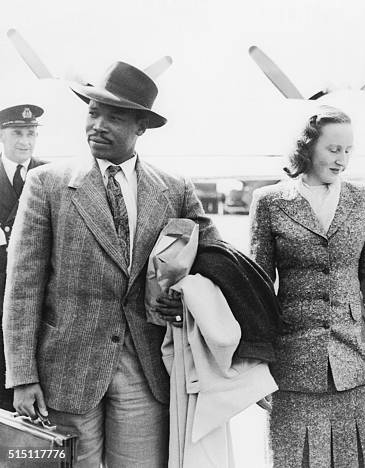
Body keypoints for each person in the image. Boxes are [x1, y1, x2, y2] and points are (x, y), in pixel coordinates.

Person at [2, 61, 219, 467]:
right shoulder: (47, 184)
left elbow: (215, 262)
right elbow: (23, 287)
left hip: (146, 371)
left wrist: (187, 297)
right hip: (64, 374)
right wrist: (23, 376)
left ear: (141, 127)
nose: (97, 125)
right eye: (92, 112)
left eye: (114, 117)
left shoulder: (174, 189)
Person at [249, 106, 365, 467]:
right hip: (291, 364)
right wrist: (254, 362)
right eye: (334, 149)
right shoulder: (269, 202)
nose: (342, 160)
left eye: (348, 150)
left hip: (353, 363)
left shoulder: (362, 198)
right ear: (308, 147)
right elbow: (256, 288)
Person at [0, 104, 46, 411]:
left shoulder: (50, 176)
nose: (25, 141)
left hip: (33, 301)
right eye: (18, 132)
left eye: (31, 133)